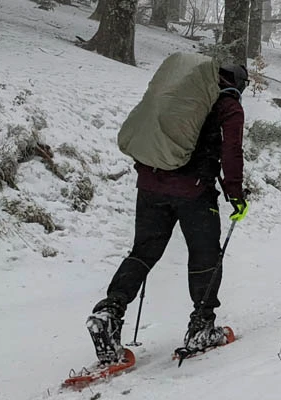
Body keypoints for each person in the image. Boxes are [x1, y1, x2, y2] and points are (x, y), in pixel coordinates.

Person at [86, 64, 251, 364]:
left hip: (150, 183)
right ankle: (202, 325)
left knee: (143, 252)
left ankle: (109, 312)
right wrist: (236, 195)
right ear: (240, 84)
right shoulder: (228, 105)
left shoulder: (183, 93)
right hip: (194, 190)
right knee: (205, 255)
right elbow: (232, 152)